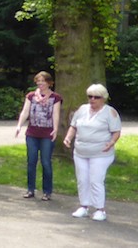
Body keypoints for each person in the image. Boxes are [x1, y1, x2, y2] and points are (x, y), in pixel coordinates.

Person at [63, 84, 122, 221]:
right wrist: (68, 137)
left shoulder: (110, 112)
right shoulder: (82, 109)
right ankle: (84, 206)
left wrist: (112, 142)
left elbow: (116, 131)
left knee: (96, 180)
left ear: (103, 98)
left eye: (96, 97)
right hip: (81, 151)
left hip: (101, 153)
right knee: (82, 179)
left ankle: (100, 209)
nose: (92, 100)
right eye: (90, 96)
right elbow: (74, 126)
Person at [15, 71, 62, 200]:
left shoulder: (55, 97)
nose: (40, 83)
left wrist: (56, 129)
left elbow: (56, 114)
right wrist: (19, 125)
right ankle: (30, 189)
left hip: (47, 134)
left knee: (46, 162)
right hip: (32, 133)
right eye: (38, 81)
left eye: (43, 81)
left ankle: (47, 191)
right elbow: (25, 112)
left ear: (49, 82)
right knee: (31, 161)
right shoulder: (31, 96)